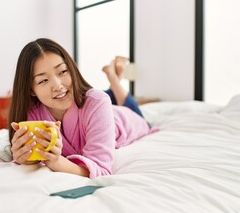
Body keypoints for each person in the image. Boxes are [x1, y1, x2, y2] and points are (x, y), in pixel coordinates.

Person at [8, 38, 154, 178]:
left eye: (63, 72)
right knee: (100, 97)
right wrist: (24, 156)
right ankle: (114, 81)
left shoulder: (98, 102)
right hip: (88, 104)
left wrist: (58, 162)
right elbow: (33, 155)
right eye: (43, 80)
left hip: (128, 119)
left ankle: (114, 78)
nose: (58, 85)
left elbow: (101, 169)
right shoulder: (33, 114)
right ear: (31, 90)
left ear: (72, 69)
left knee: (108, 98)